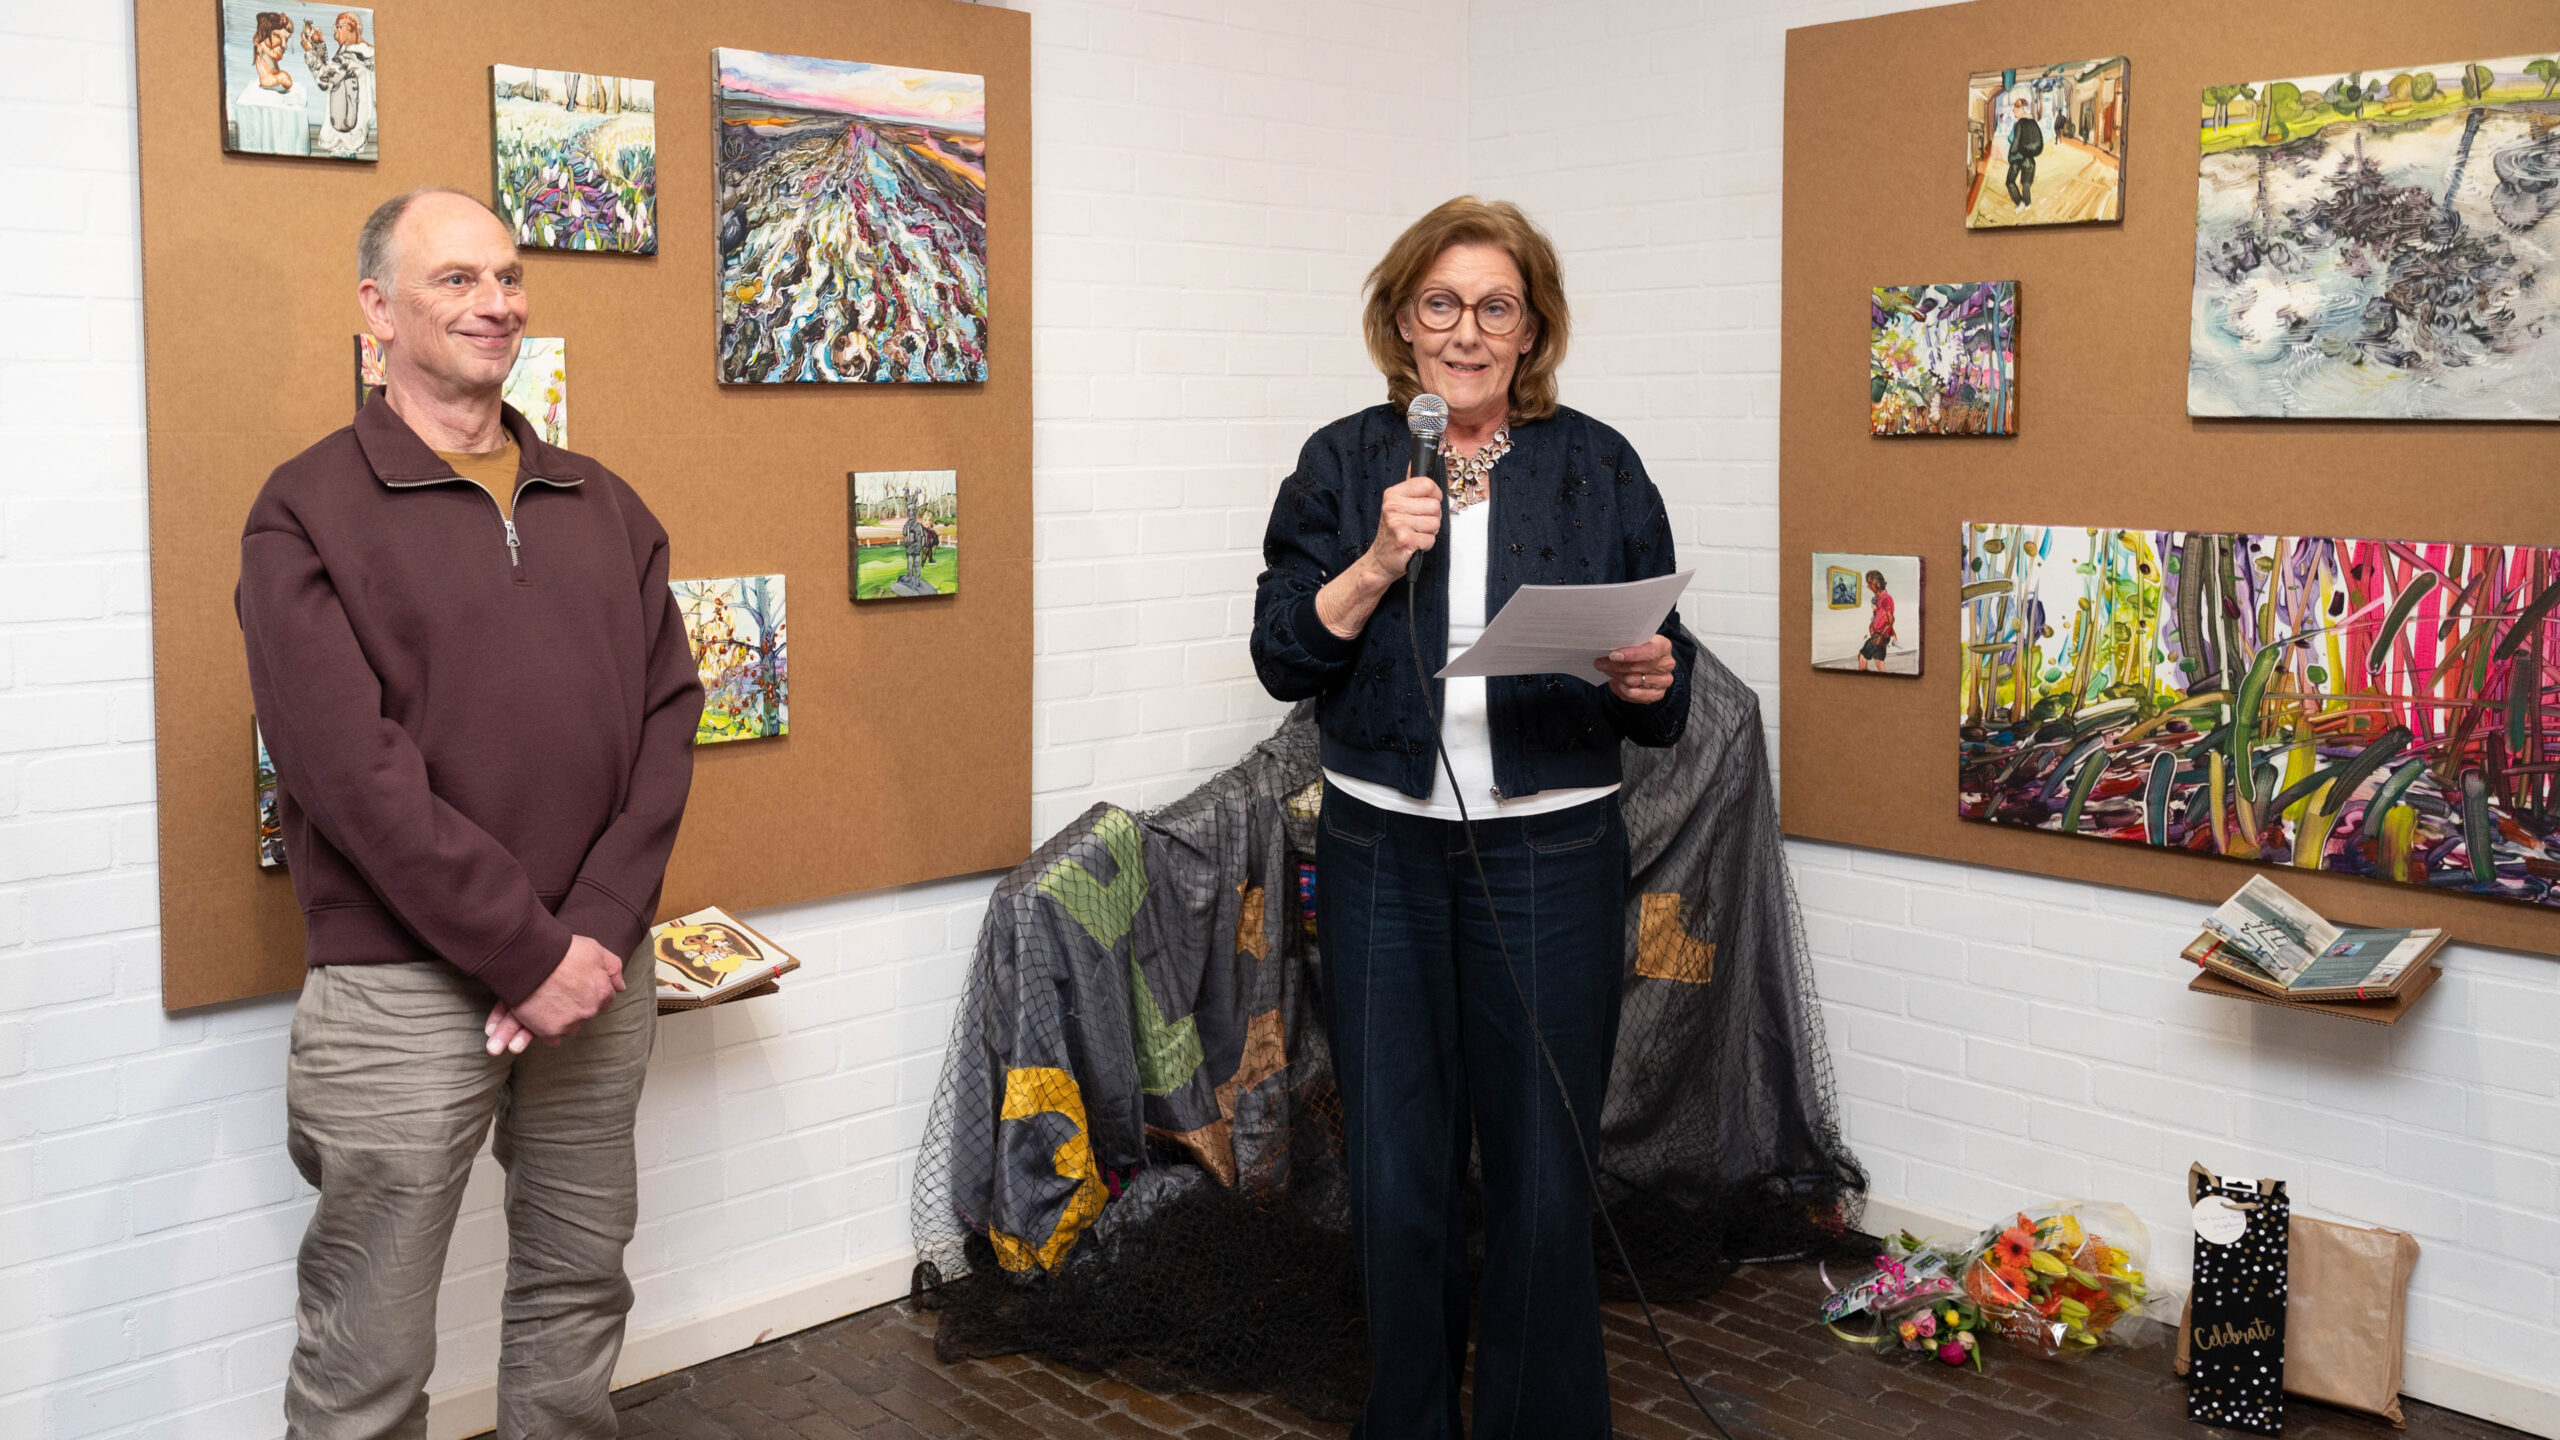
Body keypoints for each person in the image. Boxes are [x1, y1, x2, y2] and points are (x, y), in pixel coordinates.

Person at [237, 187, 704, 1439]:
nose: (494, 302)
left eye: (506, 275)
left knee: (576, 1299)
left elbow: (670, 717)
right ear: (375, 309)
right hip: (398, 988)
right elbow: (348, 773)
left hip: (599, 974)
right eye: (455, 279)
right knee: (368, 1348)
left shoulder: (603, 503)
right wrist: (529, 952)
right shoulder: (304, 511)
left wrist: (594, 932)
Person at [1250, 196, 1693, 1440]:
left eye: (1495, 306)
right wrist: (1377, 563)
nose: (1466, 330)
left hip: (1551, 849)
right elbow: (1283, 656)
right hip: (1381, 847)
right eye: (1440, 304)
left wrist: (1656, 675)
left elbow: (1662, 669)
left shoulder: (1597, 462)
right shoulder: (1344, 463)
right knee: (1397, 1166)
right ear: (1401, 320)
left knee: (1544, 1171)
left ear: (1532, 328)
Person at [301, 10, 374, 158]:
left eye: (338, 27)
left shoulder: (350, 58)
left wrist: (310, 51)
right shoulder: (368, 53)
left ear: (351, 27)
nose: (335, 32)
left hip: (344, 138)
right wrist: (319, 44)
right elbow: (332, 70)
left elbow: (324, 78)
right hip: (355, 131)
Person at [2004, 92, 2044, 210]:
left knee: (2010, 182)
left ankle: (2020, 203)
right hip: (2029, 158)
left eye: (2015, 110)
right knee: (2026, 184)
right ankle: (2027, 204)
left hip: (2017, 158)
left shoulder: (2019, 124)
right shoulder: (2033, 122)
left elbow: (2014, 140)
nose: (2013, 112)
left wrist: (2011, 156)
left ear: (2020, 109)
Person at [1857, 568, 1896, 671]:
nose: (1868, 586)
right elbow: (1881, 616)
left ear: (1877, 583)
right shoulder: (1878, 598)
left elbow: (1890, 620)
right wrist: (1873, 621)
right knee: (1878, 661)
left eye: (1870, 583)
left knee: (1862, 657)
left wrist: (1880, 636)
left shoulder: (1886, 598)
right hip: (1880, 635)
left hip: (1880, 636)